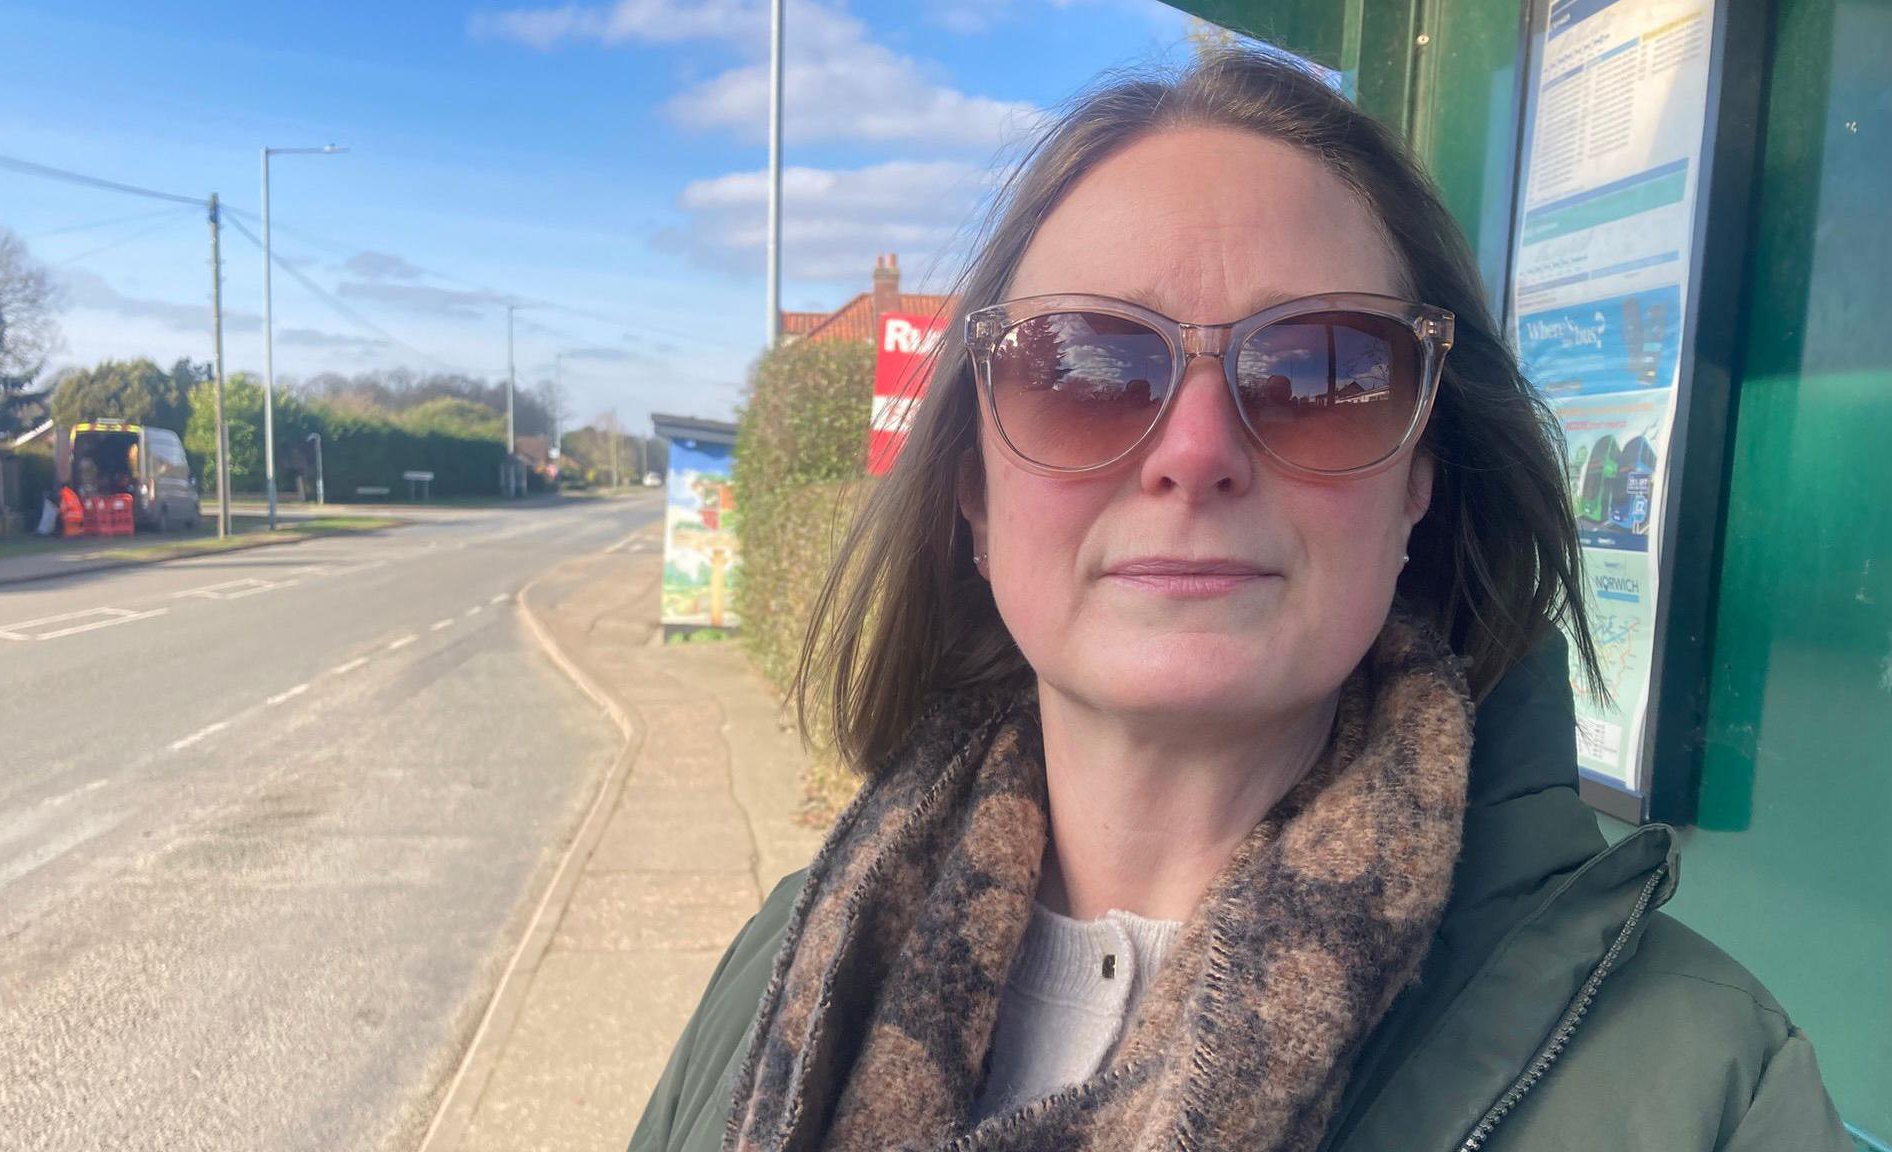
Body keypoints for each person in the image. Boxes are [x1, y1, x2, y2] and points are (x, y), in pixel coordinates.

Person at [629, 51, 1849, 1152]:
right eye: (1087, 370)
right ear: (975, 495)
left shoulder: (1708, 1089)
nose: (1195, 450)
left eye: (1323, 373)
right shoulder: (781, 968)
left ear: (1420, 476)